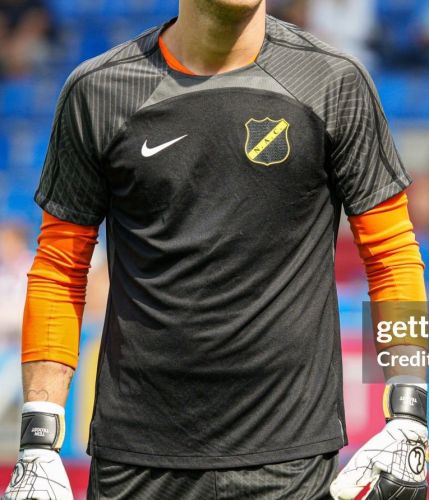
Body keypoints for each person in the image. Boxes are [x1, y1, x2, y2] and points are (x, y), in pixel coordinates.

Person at [3, 1, 428, 498]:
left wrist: (409, 412)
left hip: (290, 464)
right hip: (133, 461)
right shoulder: (98, 90)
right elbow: (60, 267)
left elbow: (391, 254)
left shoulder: (334, 81)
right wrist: (39, 440)